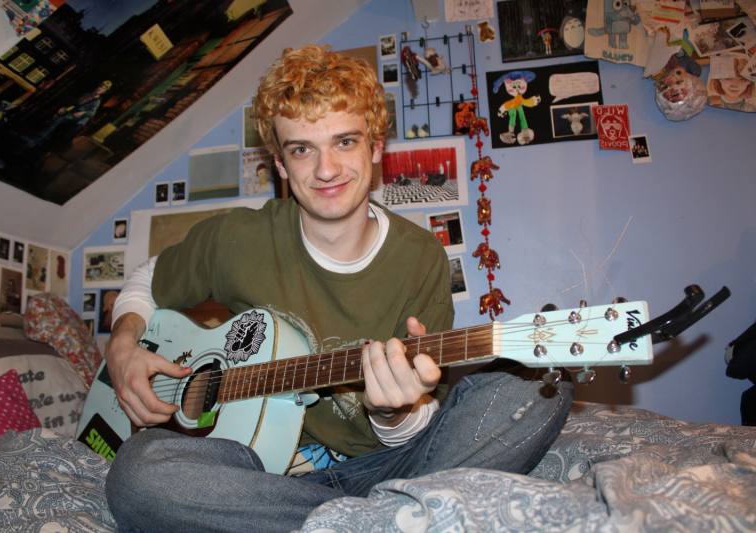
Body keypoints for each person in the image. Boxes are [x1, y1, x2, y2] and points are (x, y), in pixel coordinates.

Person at [104, 44, 573, 532]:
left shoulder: (420, 258)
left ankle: (355, 519)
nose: (325, 170)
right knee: (137, 474)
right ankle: (383, 523)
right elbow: (147, 280)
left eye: (345, 142)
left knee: (537, 387)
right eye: (302, 149)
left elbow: (416, 425)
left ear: (375, 148)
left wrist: (393, 412)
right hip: (255, 477)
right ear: (281, 165)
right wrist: (123, 344)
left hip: (381, 470)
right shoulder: (236, 238)